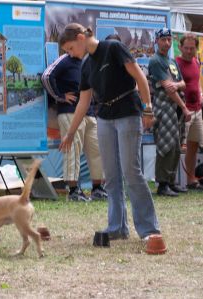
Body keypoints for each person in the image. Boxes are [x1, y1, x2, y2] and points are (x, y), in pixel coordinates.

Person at [58, 23, 161, 240]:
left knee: (131, 171)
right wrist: (69, 133)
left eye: (70, 49)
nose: (71, 54)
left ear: (80, 37)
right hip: (104, 118)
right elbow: (83, 103)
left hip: (128, 113)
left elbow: (140, 78)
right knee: (111, 176)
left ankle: (149, 230)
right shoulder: (86, 65)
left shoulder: (113, 47)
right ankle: (117, 227)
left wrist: (148, 108)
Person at [41, 53, 107, 201]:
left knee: (97, 149)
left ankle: (98, 188)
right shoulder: (65, 59)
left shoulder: (87, 60)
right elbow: (46, 77)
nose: (71, 50)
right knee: (72, 150)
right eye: (69, 47)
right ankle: (73, 190)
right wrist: (60, 96)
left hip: (88, 112)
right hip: (70, 111)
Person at [148, 28, 191, 197]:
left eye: (168, 39)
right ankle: (162, 184)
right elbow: (168, 88)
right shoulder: (156, 61)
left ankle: (171, 182)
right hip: (164, 106)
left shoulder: (172, 61)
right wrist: (184, 107)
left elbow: (182, 84)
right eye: (163, 39)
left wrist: (179, 85)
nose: (166, 43)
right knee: (165, 145)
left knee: (175, 146)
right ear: (157, 41)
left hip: (175, 108)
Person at [175, 33, 203, 191]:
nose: (189, 51)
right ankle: (171, 181)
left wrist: (201, 94)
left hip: (197, 109)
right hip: (184, 110)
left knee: (194, 146)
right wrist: (183, 107)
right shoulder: (176, 62)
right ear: (180, 47)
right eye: (186, 48)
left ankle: (191, 180)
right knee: (178, 146)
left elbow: (197, 81)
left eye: (192, 48)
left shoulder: (196, 61)